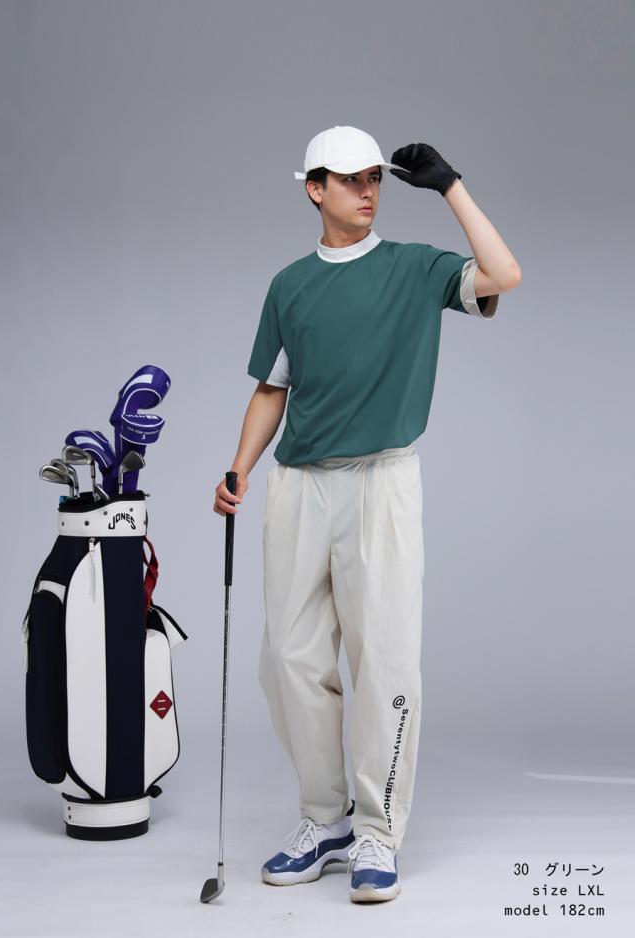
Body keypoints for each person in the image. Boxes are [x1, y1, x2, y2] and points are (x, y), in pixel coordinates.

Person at [213, 125, 521, 903]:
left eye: (374, 178)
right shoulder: (289, 285)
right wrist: (239, 467)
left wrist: (450, 186)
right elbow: (272, 387)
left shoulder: (414, 268)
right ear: (314, 189)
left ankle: (379, 830)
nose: (367, 190)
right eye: (350, 179)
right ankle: (325, 820)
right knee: (288, 659)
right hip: (297, 485)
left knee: (383, 658)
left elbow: (504, 273)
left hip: (381, 481)